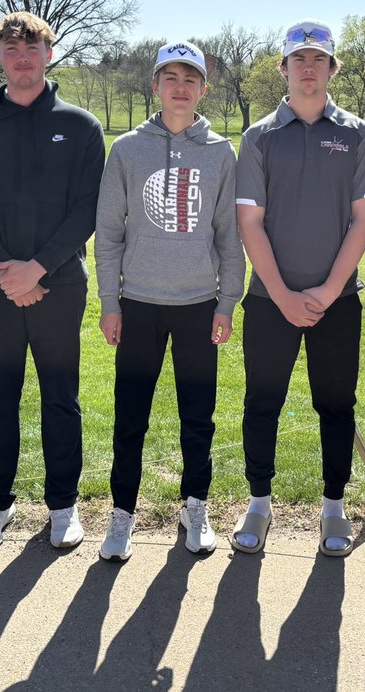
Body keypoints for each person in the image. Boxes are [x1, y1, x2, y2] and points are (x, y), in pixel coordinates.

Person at [0, 12, 104, 551]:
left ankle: (63, 505)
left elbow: (88, 208)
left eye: (33, 47)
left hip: (59, 285)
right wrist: (6, 271)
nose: (22, 56)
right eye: (11, 47)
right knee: (0, 397)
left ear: (49, 54)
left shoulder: (80, 125)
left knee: (60, 397)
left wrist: (36, 269)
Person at [232, 20, 365, 557]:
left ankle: (334, 509)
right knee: (262, 403)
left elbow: (363, 219)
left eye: (319, 59)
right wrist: (286, 296)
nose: (309, 67)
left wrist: (326, 290)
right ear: (284, 68)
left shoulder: (358, 133)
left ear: (332, 68)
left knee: (336, 404)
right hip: (270, 301)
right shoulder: (259, 137)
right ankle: (258, 503)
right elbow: (251, 224)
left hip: (337, 302)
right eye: (299, 59)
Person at [94, 41, 245, 562]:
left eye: (191, 79)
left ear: (204, 89)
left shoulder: (221, 152)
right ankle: (122, 513)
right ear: (155, 86)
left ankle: (194, 505)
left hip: (199, 304)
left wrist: (227, 302)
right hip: (137, 302)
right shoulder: (127, 149)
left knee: (197, 415)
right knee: (130, 414)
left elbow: (230, 235)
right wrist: (108, 301)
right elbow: (108, 232)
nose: (181, 88)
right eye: (170, 78)